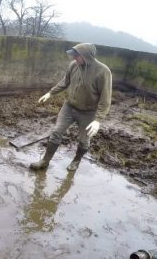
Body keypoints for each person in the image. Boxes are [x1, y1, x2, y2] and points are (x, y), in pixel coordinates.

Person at [30, 43, 112, 171]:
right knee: (56, 132)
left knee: (84, 140)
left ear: (87, 56)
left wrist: (98, 120)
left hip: (88, 112)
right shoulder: (74, 65)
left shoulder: (103, 71)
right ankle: (45, 161)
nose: (74, 58)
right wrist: (50, 93)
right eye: (73, 55)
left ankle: (76, 160)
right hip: (69, 107)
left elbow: (105, 99)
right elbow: (65, 82)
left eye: (77, 56)